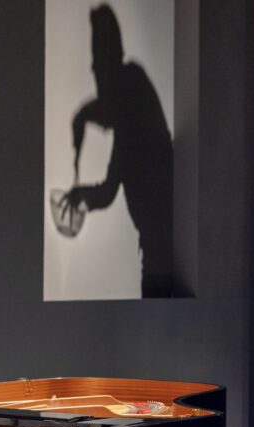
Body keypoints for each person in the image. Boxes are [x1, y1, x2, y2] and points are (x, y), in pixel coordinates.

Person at [62, 3, 174, 297]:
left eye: (97, 59)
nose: (93, 69)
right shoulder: (129, 132)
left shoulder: (131, 86)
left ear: (113, 59)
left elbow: (106, 109)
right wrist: (80, 192)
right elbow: (108, 192)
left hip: (162, 256)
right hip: (157, 255)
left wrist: (83, 115)